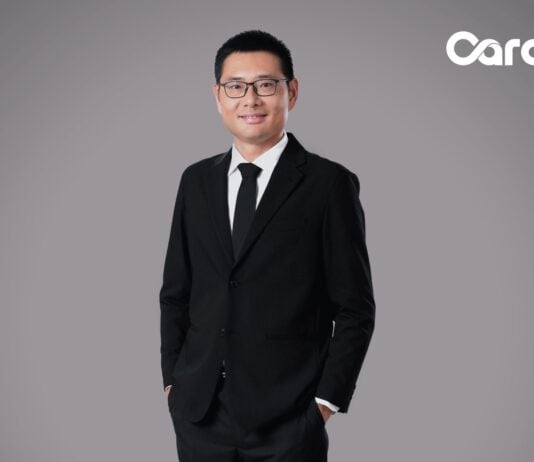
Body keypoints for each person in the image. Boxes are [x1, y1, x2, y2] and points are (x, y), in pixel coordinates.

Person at [160, 30, 375, 462]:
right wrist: (173, 383)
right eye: (236, 86)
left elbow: (355, 308)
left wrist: (324, 404)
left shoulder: (328, 184)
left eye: (265, 85)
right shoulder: (196, 181)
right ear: (218, 96)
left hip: (288, 420)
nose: (251, 99)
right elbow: (176, 293)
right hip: (199, 414)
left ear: (291, 92)